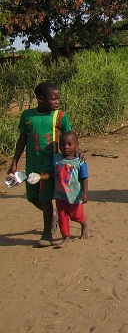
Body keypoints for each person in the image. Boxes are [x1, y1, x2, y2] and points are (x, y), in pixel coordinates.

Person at [7, 81, 72, 247]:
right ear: (41, 99)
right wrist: (14, 162)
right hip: (32, 166)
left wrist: (74, 154)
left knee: (45, 199)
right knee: (32, 197)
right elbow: (22, 140)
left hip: (50, 166)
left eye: (58, 99)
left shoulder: (59, 116)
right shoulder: (27, 116)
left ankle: (47, 233)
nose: (57, 102)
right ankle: (52, 215)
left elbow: (70, 137)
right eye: (53, 99)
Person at [50, 131, 89, 248]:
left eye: (69, 144)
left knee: (76, 215)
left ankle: (84, 224)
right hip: (60, 195)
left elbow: (84, 177)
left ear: (76, 145)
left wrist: (85, 193)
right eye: (62, 144)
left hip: (74, 195)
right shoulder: (56, 159)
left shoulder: (80, 161)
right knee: (62, 217)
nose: (65, 147)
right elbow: (51, 174)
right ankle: (65, 237)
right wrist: (38, 177)